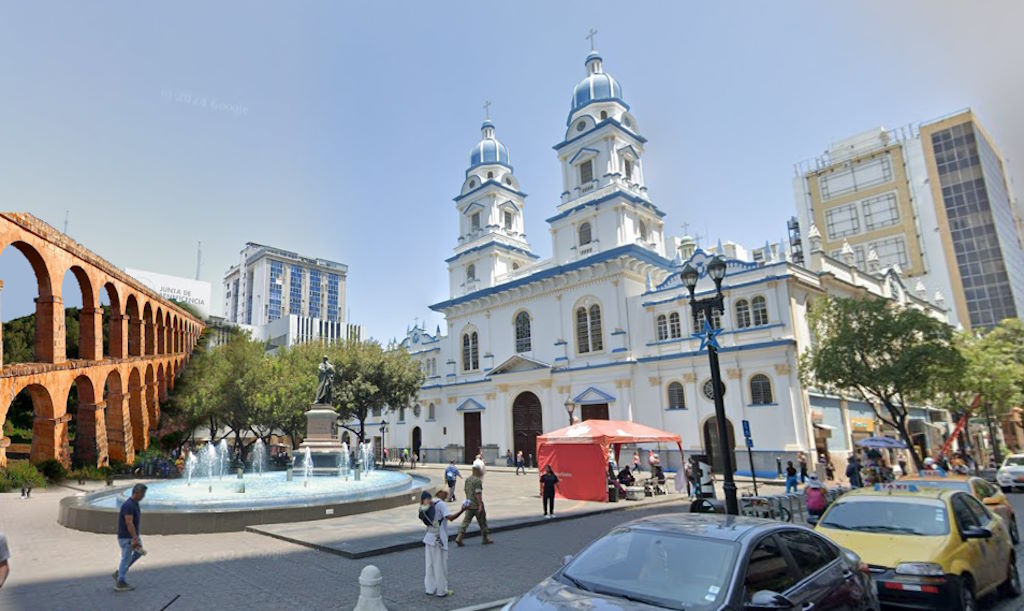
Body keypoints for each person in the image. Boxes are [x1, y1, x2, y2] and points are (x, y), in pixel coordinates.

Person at [420, 489, 467, 598]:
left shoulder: (429, 503)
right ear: (441, 493)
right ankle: (442, 590)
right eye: (446, 493)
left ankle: (430, 589)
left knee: (429, 565)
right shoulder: (441, 504)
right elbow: (450, 518)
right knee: (440, 565)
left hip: (429, 536)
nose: (447, 495)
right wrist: (462, 510)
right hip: (438, 538)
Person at [114, 483, 147, 591]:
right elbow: (129, 523)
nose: (143, 496)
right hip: (127, 537)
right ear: (136, 493)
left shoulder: (135, 503)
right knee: (126, 558)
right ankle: (120, 582)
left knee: (139, 552)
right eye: (142, 494)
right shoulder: (129, 505)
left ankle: (120, 572)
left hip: (132, 536)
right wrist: (134, 539)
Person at [455, 466, 492, 546]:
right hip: (476, 504)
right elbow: (478, 493)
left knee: (465, 522)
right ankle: (485, 538)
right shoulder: (477, 481)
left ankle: (459, 537)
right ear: (477, 472)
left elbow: (465, 490)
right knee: (482, 523)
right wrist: (480, 505)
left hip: (469, 504)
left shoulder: (468, 480)